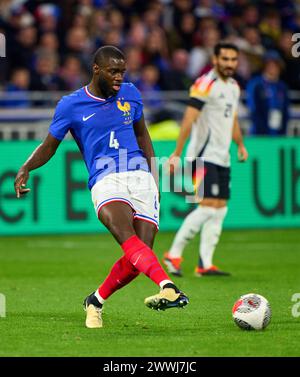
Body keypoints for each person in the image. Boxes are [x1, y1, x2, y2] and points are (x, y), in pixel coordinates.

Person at [14, 46, 189, 329]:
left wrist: (153, 178)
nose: (119, 77)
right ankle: (168, 285)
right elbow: (49, 146)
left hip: (141, 177)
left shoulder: (131, 94)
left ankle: (95, 301)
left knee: (138, 257)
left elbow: (142, 134)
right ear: (97, 69)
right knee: (127, 238)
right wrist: (26, 168)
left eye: (123, 71)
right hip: (106, 178)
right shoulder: (71, 105)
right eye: (113, 71)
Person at [163, 42, 248, 277]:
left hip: (223, 158)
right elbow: (189, 119)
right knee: (208, 207)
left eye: (233, 59)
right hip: (201, 158)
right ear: (215, 59)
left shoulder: (233, 87)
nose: (230, 64)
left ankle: (205, 264)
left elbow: (232, 120)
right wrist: (177, 153)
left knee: (220, 209)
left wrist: (239, 144)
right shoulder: (204, 84)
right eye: (225, 59)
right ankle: (174, 254)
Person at [246, 50, 289, 135]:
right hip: (259, 131)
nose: (272, 68)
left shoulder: (282, 86)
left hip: (279, 131)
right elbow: (252, 107)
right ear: (264, 66)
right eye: (269, 65)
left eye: (276, 65)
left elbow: (285, 109)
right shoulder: (256, 84)